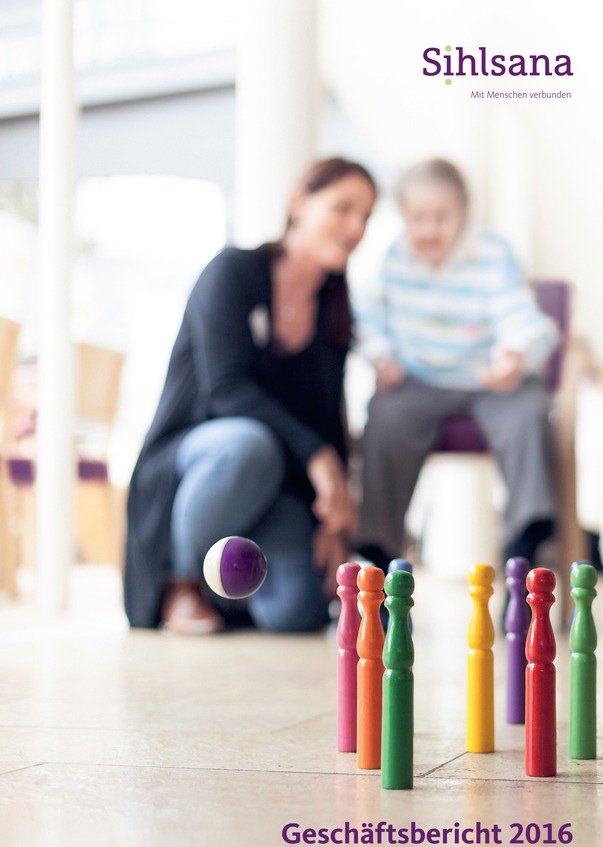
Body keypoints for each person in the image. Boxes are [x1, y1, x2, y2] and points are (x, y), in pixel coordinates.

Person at [123, 157, 377, 634]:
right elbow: (227, 390)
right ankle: (182, 583)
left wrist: (335, 525)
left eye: (365, 217)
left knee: (297, 614)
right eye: (343, 208)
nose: (355, 227)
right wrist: (320, 458)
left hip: (276, 486)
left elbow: (328, 417)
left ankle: (232, 594)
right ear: (299, 202)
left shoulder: (334, 310)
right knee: (247, 445)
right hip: (200, 463)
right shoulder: (231, 272)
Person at [354, 158, 558, 574]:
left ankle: (526, 539)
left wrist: (514, 354)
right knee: (385, 414)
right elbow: (372, 318)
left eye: (441, 217)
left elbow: (517, 312)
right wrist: (382, 356)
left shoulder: (492, 253)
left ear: (464, 214)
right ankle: (379, 548)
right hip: (419, 378)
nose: (429, 230)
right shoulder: (394, 258)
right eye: (418, 218)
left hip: (490, 376)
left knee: (528, 412)